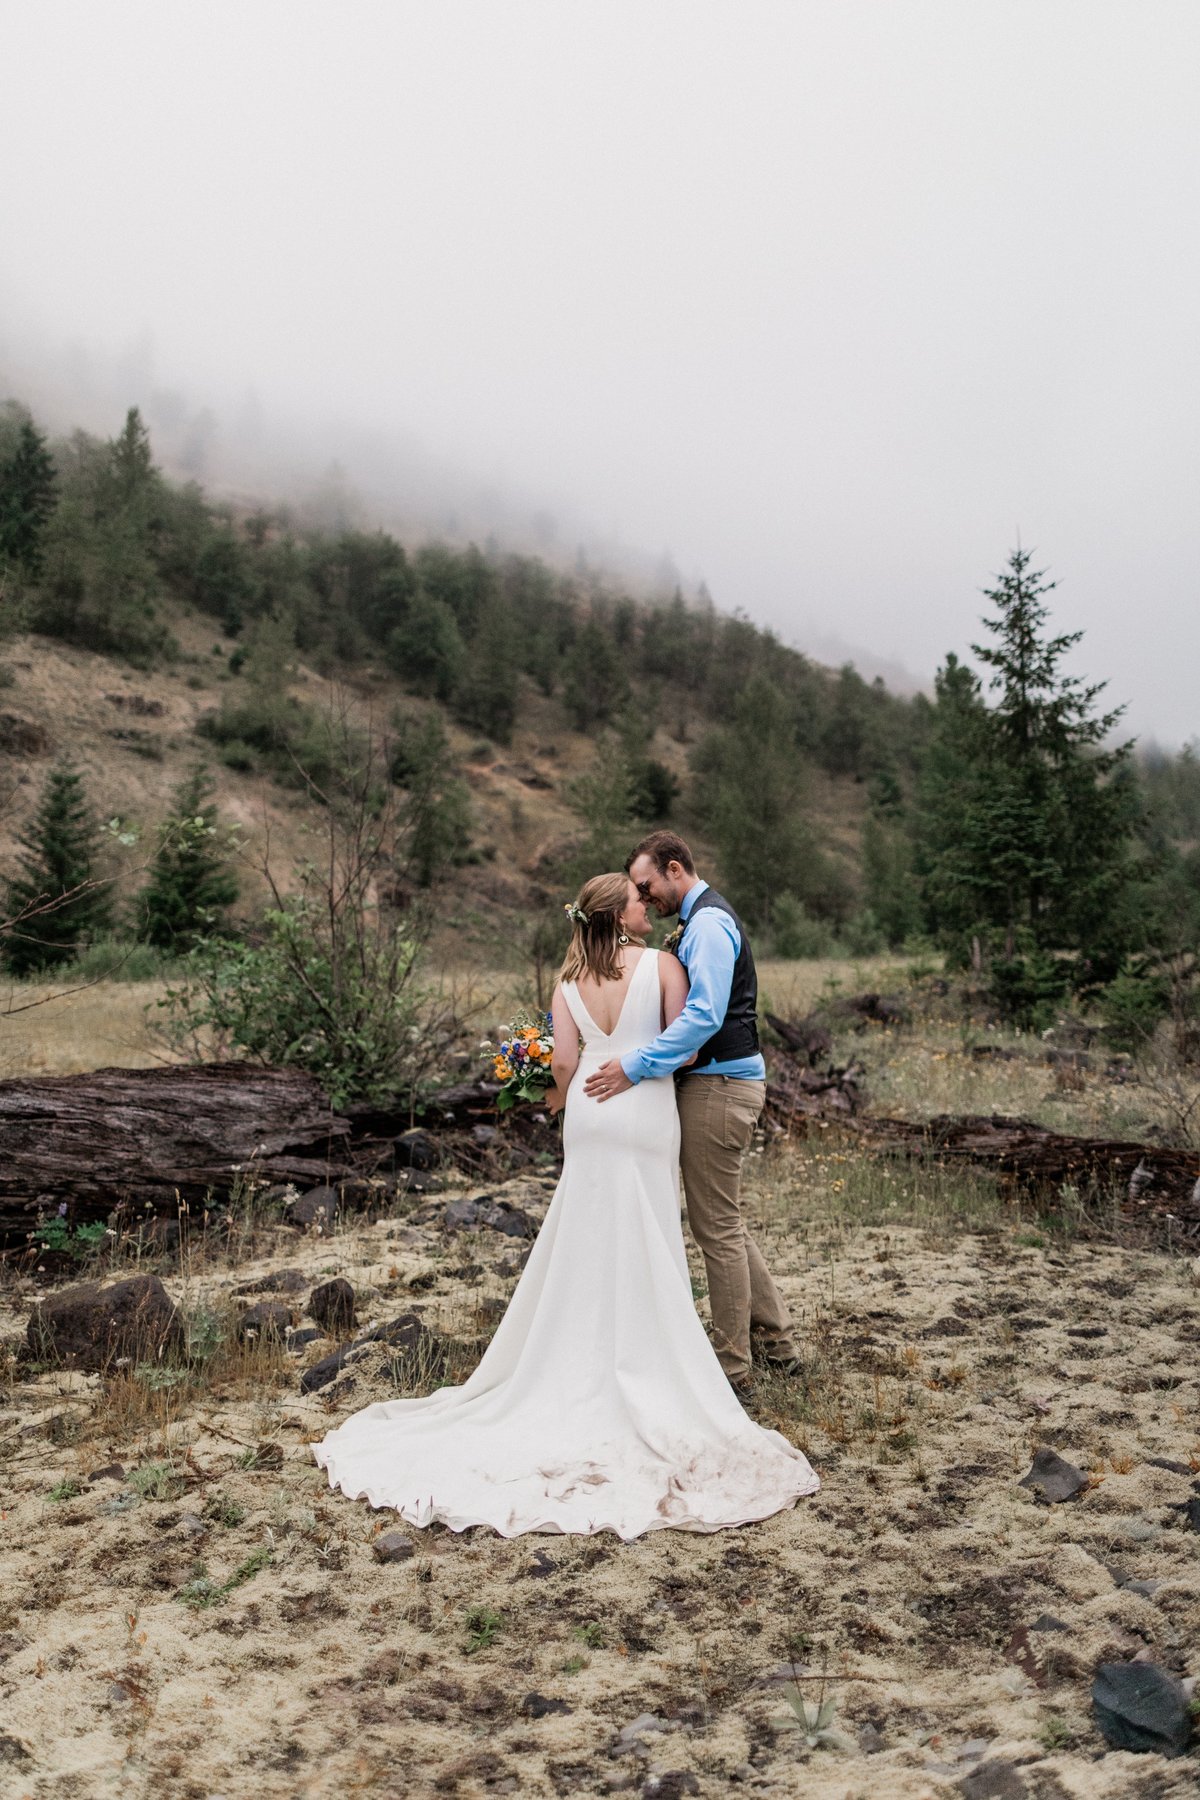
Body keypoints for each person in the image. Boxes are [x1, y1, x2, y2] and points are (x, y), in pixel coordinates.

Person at [311, 870, 817, 1539]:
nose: (646, 906)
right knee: (648, 1235)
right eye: (637, 900)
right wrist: (643, 1063)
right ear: (621, 915)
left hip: (589, 1114)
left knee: (584, 1234)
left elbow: (563, 1065)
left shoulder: (567, 982)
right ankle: (652, 1354)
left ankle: (573, 1355)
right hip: (641, 1107)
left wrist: (563, 1097)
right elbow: (689, 1040)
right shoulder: (663, 965)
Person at [584, 830, 800, 1401]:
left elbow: (704, 1014)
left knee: (716, 1228)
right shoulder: (702, 919)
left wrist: (636, 1063)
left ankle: (733, 1369)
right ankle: (777, 1339)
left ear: (674, 869)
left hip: (719, 1087)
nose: (644, 896)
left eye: (646, 884)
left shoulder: (706, 924)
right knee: (723, 1218)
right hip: (718, 1084)